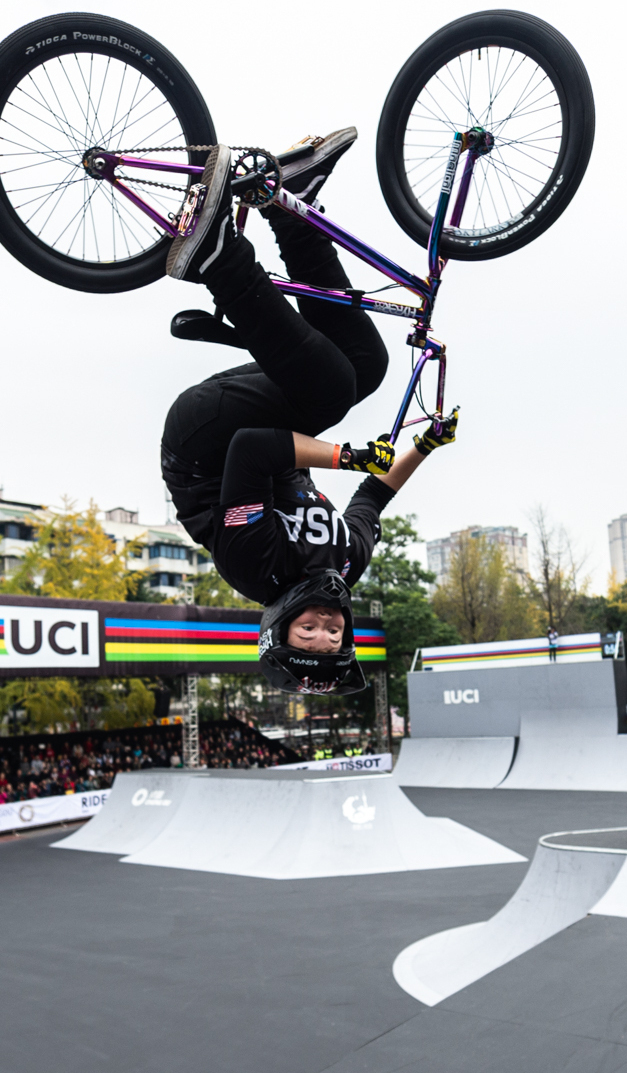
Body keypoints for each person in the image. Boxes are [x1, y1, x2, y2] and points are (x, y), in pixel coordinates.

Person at [158, 129, 455, 695]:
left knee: (328, 393)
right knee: (365, 366)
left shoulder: (257, 566)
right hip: (257, 429)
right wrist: (427, 444)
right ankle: (292, 207)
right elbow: (374, 497)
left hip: (201, 443)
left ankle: (218, 257)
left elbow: (252, 449)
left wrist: (345, 455)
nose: (325, 629)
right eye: (332, 637)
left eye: (308, 633)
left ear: (280, 626)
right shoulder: (345, 561)